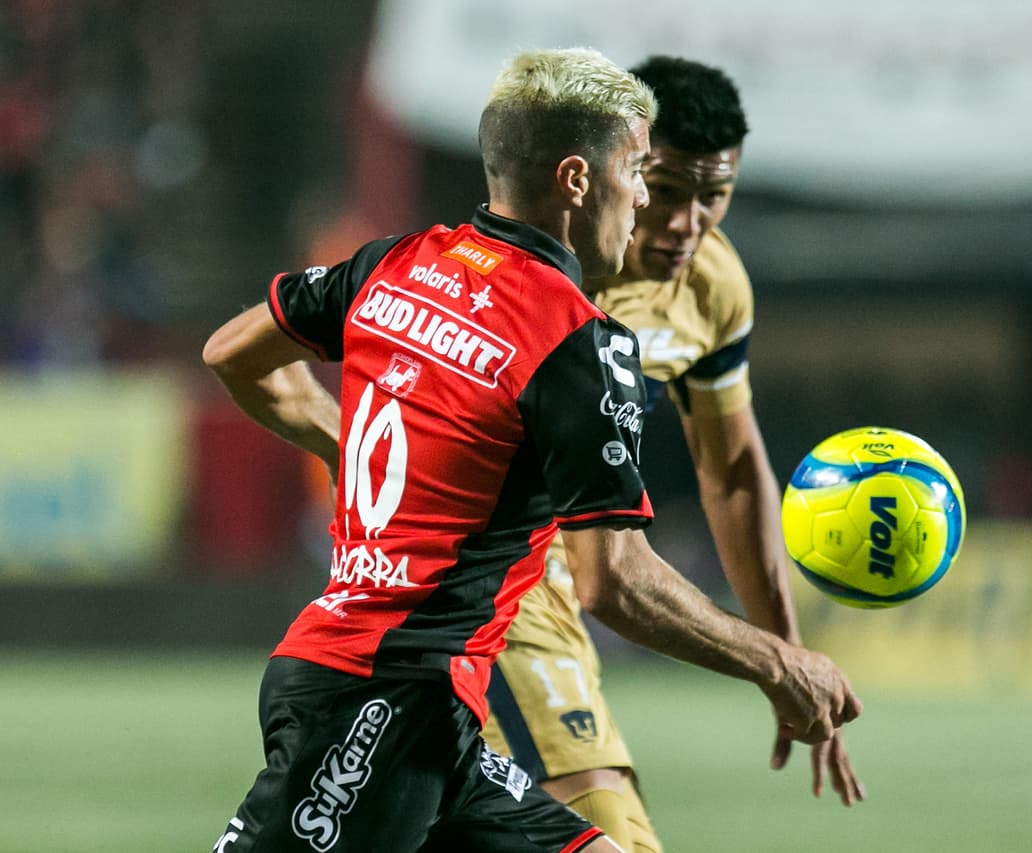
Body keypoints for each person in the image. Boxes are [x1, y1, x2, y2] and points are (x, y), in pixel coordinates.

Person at [202, 46, 861, 853]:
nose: (647, 198)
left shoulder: (394, 264)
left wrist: (353, 448)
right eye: (639, 172)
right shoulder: (579, 342)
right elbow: (614, 582)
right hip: (383, 699)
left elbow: (232, 353)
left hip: (414, 707)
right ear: (580, 180)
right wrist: (778, 662)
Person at [478, 56, 861, 852]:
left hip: (548, 592)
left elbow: (730, 469)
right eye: (667, 187)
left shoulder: (710, 283)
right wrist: (775, 665)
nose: (686, 220)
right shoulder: (540, 272)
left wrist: (786, 653)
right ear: (618, 170)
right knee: (607, 820)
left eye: (712, 195)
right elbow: (610, 576)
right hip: (489, 590)